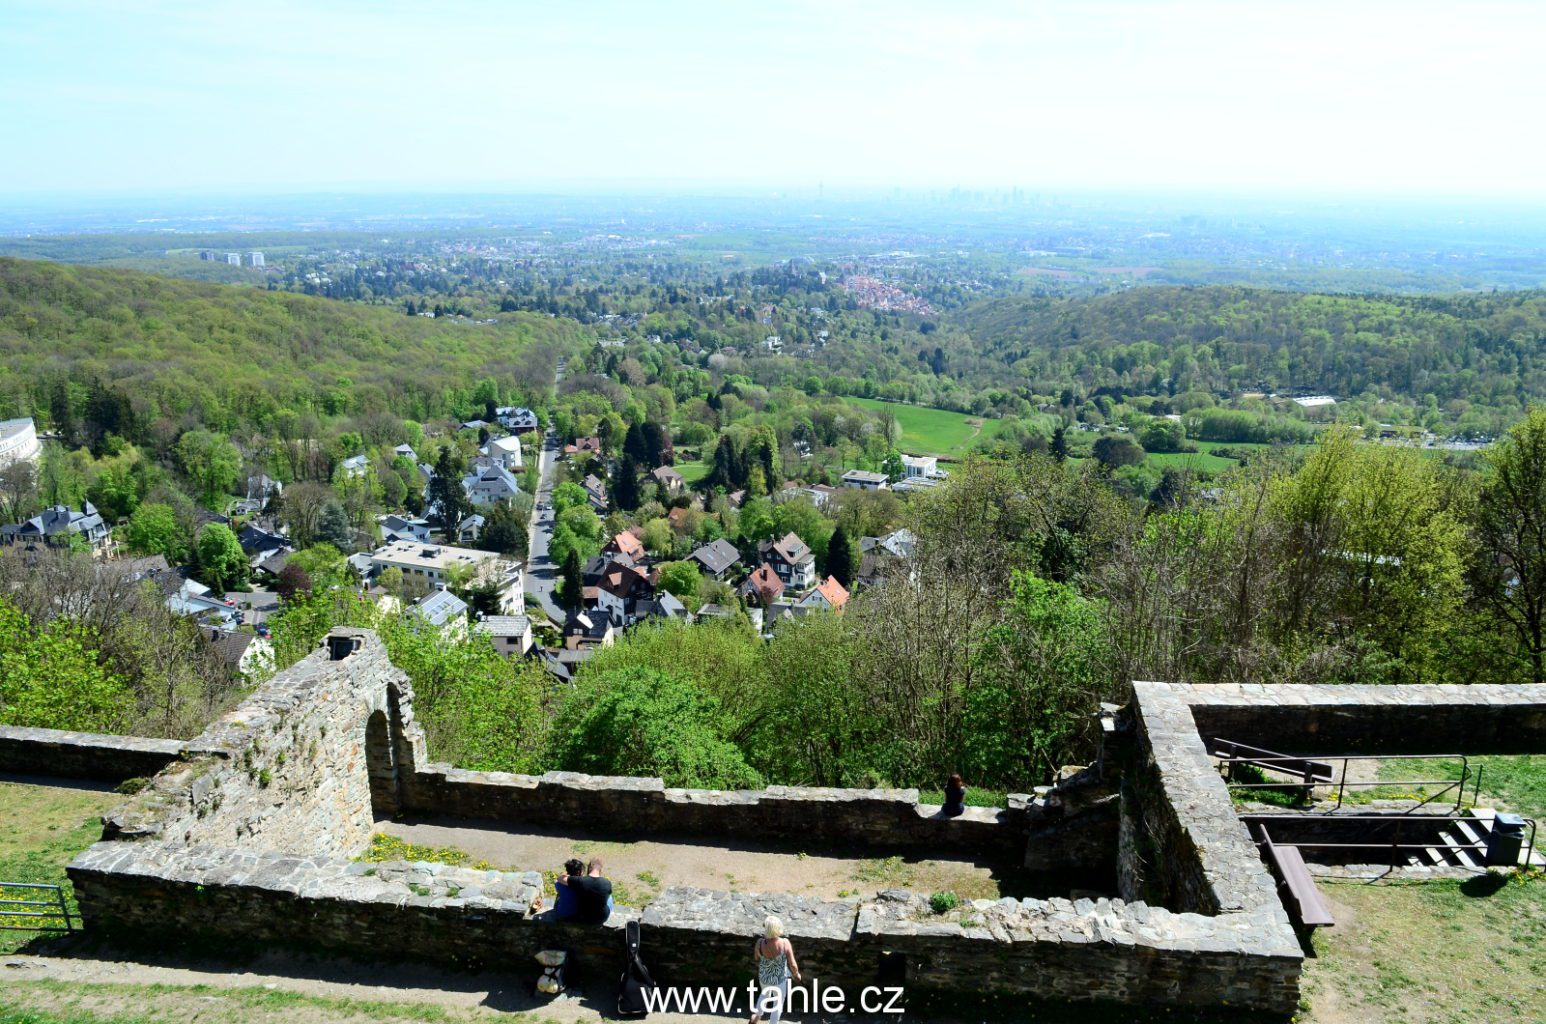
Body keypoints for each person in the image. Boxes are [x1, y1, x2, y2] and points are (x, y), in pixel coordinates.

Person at [749, 915, 800, 1024]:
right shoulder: (785, 943)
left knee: (764, 995)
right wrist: (796, 974)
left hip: (764, 977)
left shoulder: (760, 942)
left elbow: (756, 957)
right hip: (779, 980)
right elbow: (793, 964)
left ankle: (756, 1017)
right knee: (778, 1004)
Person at [556, 855, 613, 924]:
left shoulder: (579, 881)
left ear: (590, 866)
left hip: (583, 917)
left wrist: (567, 874)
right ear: (600, 869)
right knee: (609, 897)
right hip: (601, 918)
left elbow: (559, 878)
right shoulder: (607, 883)